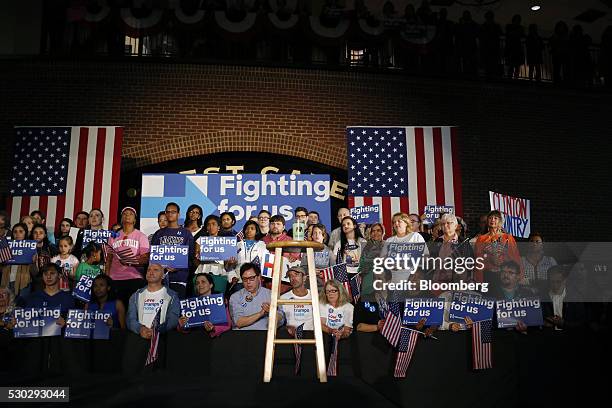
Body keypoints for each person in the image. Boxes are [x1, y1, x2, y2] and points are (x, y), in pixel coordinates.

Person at [124, 263, 180, 372]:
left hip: (160, 339)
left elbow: (173, 318)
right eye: (149, 269)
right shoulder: (136, 295)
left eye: (156, 270)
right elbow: (130, 318)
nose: (151, 272)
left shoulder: (172, 295)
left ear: (163, 275)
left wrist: (158, 330)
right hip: (139, 338)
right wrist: (140, 329)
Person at [106, 207, 151, 308]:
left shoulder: (141, 236)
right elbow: (108, 259)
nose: (127, 215)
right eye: (125, 214)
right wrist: (107, 278)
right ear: (121, 219)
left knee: (132, 310)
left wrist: (129, 262)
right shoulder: (113, 237)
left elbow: (145, 259)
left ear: (135, 219)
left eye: (130, 214)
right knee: (115, 311)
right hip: (115, 278)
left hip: (134, 278)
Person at [150, 202, 195, 298]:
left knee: (176, 308)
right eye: (168, 212)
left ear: (178, 214)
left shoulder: (186, 233)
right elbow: (152, 256)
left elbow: (190, 257)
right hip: (160, 278)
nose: (170, 214)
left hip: (179, 278)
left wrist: (178, 266)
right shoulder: (158, 233)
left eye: (173, 212)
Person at [229, 263, 284, 330]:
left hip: (265, 336)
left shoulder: (271, 295)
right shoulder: (235, 297)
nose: (248, 282)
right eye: (245, 279)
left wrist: (272, 312)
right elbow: (238, 322)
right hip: (242, 336)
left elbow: (281, 319)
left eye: (251, 278)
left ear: (259, 277)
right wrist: (261, 313)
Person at [474, 210, 522, 283]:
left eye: (496, 218)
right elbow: (478, 260)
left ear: (500, 221)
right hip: (488, 275)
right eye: (490, 218)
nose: (492, 220)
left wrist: (505, 252)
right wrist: (486, 254)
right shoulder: (481, 239)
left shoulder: (508, 238)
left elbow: (515, 258)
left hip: (505, 275)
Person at [381, 212, 427, 283]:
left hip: (413, 283)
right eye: (394, 222)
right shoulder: (389, 240)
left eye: (399, 221)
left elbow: (426, 257)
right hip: (395, 283)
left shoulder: (416, 236)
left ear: (406, 223)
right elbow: (383, 259)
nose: (396, 224)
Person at [227, 220, 268, 292]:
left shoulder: (262, 245)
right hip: (239, 280)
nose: (249, 230)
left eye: (252, 228)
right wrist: (232, 276)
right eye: (247, 228)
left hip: (255, 280)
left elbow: (266, 264)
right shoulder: (236, 245)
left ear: (257, 231)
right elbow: (229, 266)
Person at [542, 265, 586, 330]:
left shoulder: (575, 297)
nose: (555, 285)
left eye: (558, 282)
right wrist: (543, 324)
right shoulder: (543, 297)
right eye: (552, 282)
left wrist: (564, 324)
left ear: (565, 280)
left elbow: (583, 323)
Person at [1, 223, 36, 298]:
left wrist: (33, 263)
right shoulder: (6, 247)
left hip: (24, 284)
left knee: (20, 307)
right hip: (6, 282)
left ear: (25, 233)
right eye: (15, 231)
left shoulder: (31, 248)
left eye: (21, 231)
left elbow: (35, 273)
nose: (17, 234)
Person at [281, 266, 313, 334]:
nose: (293, 278)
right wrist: (286, 328)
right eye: (290, 276)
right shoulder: (283, 298)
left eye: (296, 274)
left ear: (304, 278)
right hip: (291, 337)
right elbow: (280, 320)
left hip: (312, 337)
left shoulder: (315, 296)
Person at [357, 223, 385, 296]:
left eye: (378, 230)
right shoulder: (366, 247)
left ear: (383, 232)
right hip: (368, 285)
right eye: (373, 231)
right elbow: (360, 267)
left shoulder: (387, 246)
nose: (375, 233)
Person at [505, 14, 525, 79]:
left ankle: (513, 79)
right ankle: (511, 79)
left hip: (516, 49)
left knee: (515, 66)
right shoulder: (511, 27)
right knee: (512, 66)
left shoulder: (510, 27)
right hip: (512, 49)